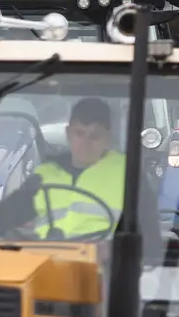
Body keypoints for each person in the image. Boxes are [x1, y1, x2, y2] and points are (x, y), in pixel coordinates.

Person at [33, 98, 130, 238]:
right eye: (79, 133)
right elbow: (13, 226)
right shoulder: (42, 175)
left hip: (105, 259)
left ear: (108, 139)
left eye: (94, 136)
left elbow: (148, 239)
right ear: (68, 133)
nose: (86, 143)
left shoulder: (129, 175)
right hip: (42, 258)